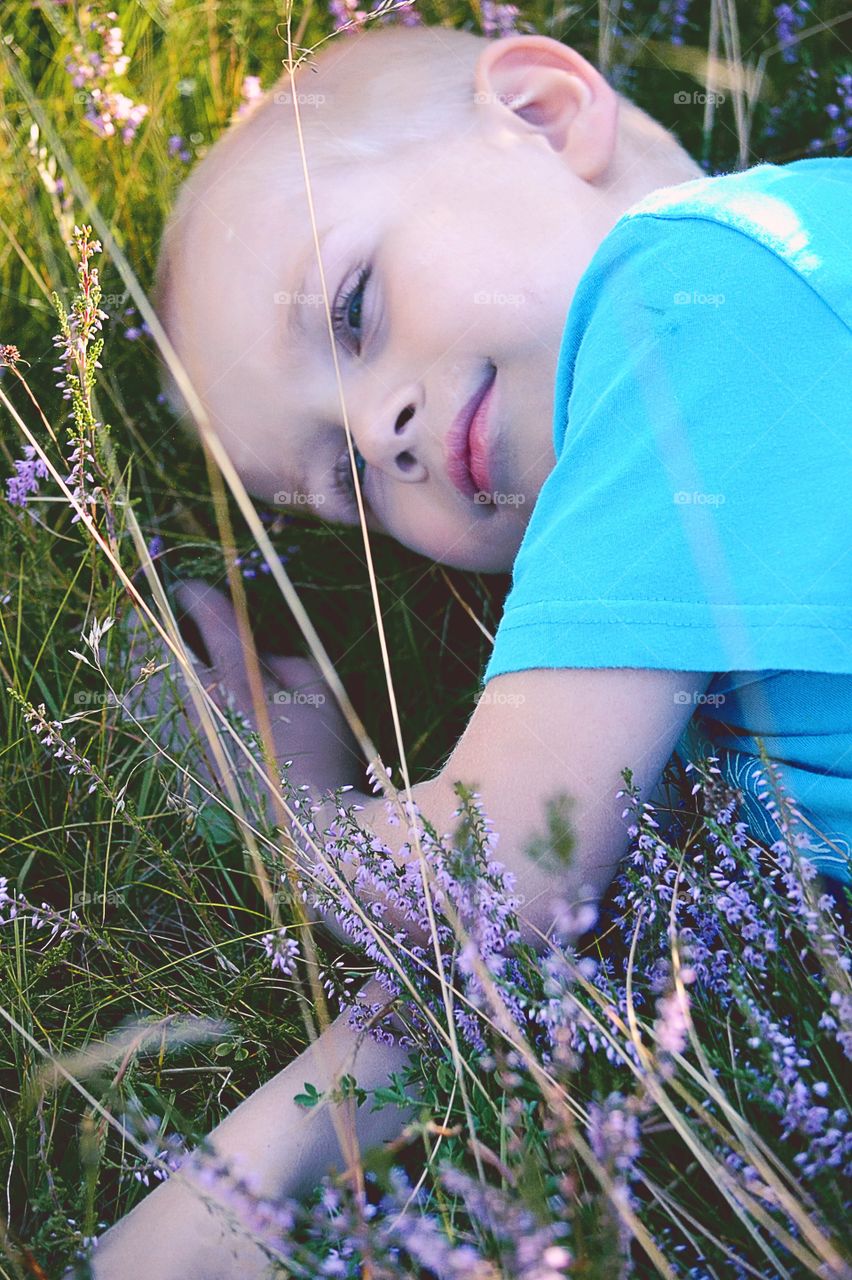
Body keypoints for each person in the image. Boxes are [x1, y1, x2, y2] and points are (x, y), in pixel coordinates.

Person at [83, 23, 852, 1279]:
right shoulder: (694, 546)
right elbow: (552, 947)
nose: (380, 433)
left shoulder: (699, 296)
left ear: (547, 113)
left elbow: (498, 881)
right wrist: (223, 1193)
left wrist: (273, 800)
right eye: (342, 477)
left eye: (352, 309)